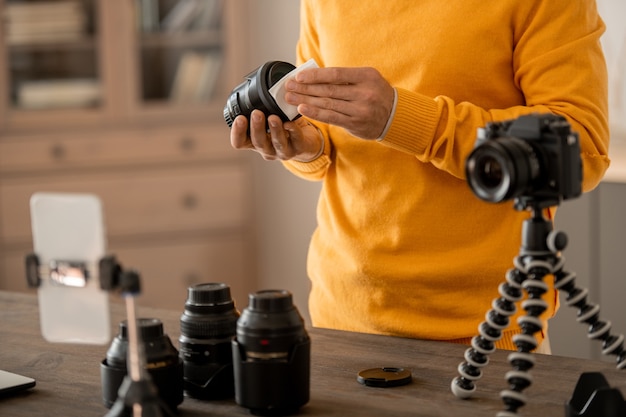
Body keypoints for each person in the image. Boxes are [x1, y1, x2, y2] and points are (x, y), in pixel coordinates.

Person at [229, 0, 610, 351]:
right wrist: (306, 147)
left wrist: (400, 118)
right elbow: (331, 141)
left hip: (485, 334)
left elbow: (582, 149)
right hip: (339, 322)